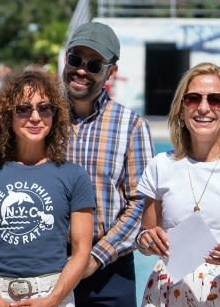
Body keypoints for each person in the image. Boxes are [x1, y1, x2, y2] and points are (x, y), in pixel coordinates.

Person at [136, 62, 220, 306]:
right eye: (192, 99)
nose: (203, 108)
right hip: (168, 293)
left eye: (215, 100)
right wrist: (147, 240)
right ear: (181, 110)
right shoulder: (160, 166)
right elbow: (145, 240)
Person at [0, 68, 95, 306]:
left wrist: (53, 299)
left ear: (55, 115)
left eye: (44, 108)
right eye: (23, 109)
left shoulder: (75, 176)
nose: (35, 117)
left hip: (54, 294)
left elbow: (81, 252)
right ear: (8, 116)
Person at [63, 21, 153, 306]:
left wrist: (94, 258)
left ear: (111, 72)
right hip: (49, 265)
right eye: (75, 59)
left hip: (109, 271)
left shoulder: (132, 126)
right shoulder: (42, 120)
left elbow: (140, 202)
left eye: (94, 65)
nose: (81, 70)